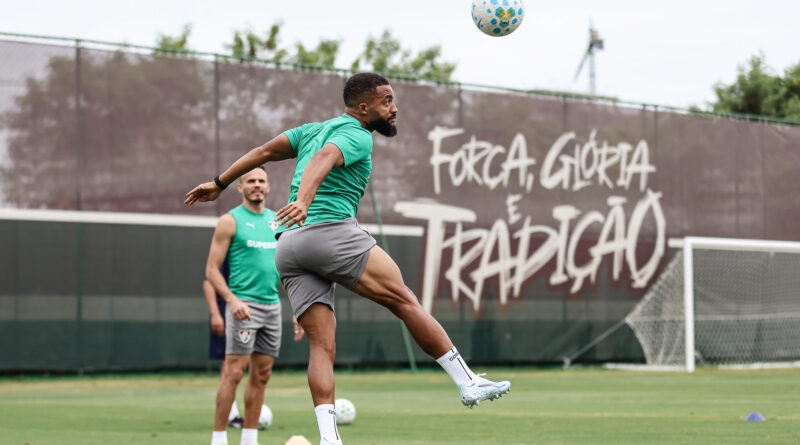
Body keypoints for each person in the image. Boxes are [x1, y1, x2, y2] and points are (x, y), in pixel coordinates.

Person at [186, 73, 510, 445]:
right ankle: (467, 382)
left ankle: (329, 438)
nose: (394, 108)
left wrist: (219, 183)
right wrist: (305, 201)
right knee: (405, 301)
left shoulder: (311, 130)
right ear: (363, 107)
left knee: (321, 346)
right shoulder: (357, 134)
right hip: (329, 232)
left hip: (289, 246)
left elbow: (262, 153)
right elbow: (325, 158)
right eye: (387, 101)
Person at [204, 167, 304, 445]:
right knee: (234, 373)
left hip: (272, 307)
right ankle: (219, 438)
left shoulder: (278, 221)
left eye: (261, 181)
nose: (256, 185)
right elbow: (212, 271)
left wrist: (298, 309)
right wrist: (232, 301)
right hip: (243, 306)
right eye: (250, 181)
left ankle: (249, 439)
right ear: (240, 187)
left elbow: (287, 272)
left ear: (268, 187)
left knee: (262, 375)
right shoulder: (229, 221)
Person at [202, 276, 244, 428]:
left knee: (243, 363)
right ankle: (230, 414)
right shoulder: (224, 253)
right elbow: (208, 282)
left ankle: (233, 412)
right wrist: (215, 314)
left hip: (246, 312)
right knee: (229, 362)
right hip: (226, 312)